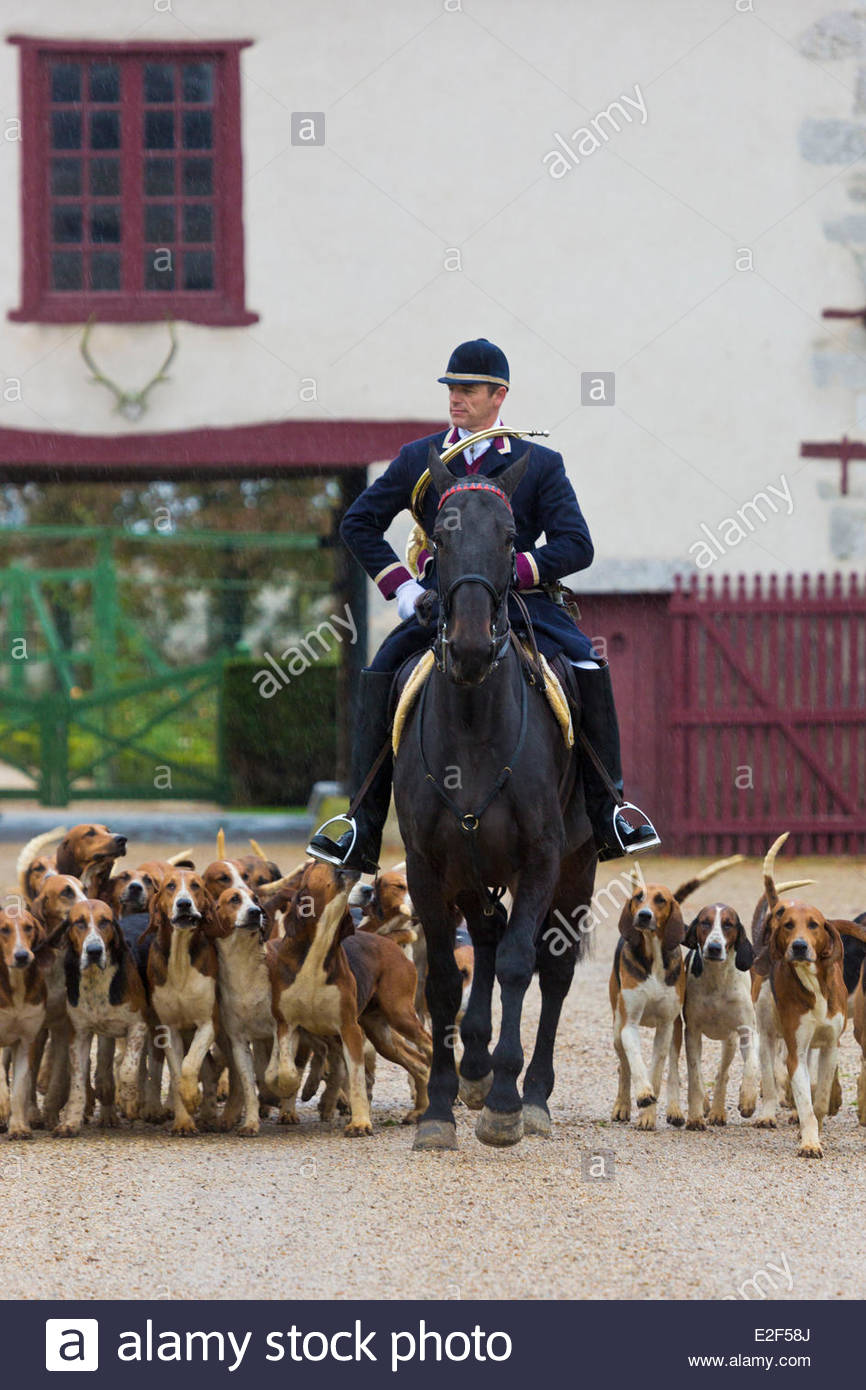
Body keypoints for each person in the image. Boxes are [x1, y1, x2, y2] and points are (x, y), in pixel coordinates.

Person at [308, 337, 659, 873]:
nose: (456, 399)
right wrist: (403, 588)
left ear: (499, 395)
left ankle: (610, 807)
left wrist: (515, 570)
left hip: (522, 605)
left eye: (467, 390)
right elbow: (358, 524)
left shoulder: (538, 463)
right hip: (438, 606)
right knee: (380, 670)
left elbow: (577, 544)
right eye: (451, 389)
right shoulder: (418, 460)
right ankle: (361, 823)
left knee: (588, 664)